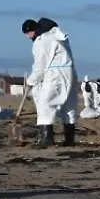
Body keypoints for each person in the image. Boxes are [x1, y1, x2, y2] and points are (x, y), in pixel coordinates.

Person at [22, 17, 78, 148]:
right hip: (70, 72)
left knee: (45, 104)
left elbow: (40, 65)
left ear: (32, 31)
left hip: (55, 74)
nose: (27, 37)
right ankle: (70, 140)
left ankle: (47, 139)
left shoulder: (42, 40)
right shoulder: (59, 37)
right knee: (69, 105)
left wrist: (31, 81)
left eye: (27, 34)